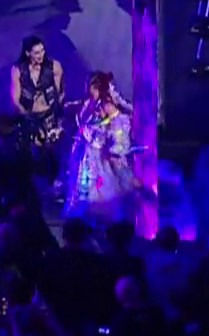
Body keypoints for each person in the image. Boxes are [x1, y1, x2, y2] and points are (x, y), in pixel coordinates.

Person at [68, 71, 138, 220]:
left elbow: (117, 123)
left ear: (96, 87)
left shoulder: (106, 104)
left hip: (99, 152)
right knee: (83, 186)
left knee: (100, 188)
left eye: (90, 86)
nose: (87, 89)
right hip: (86, 151)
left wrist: (108, 140)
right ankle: (83, 217)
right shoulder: (88, 103)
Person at [9, 35, 65, 192]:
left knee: (51, 149)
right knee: (27, 150)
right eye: (36, 52)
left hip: (49, 114)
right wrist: (26, 117)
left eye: (42, 51)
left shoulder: (54, 67)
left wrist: (56, 112)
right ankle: (27, 181)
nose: (41, 55)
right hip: (29, 115)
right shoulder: (18, 70)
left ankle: (54, 179)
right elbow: (15, 98)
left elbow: (60, 91)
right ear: (28, 53)